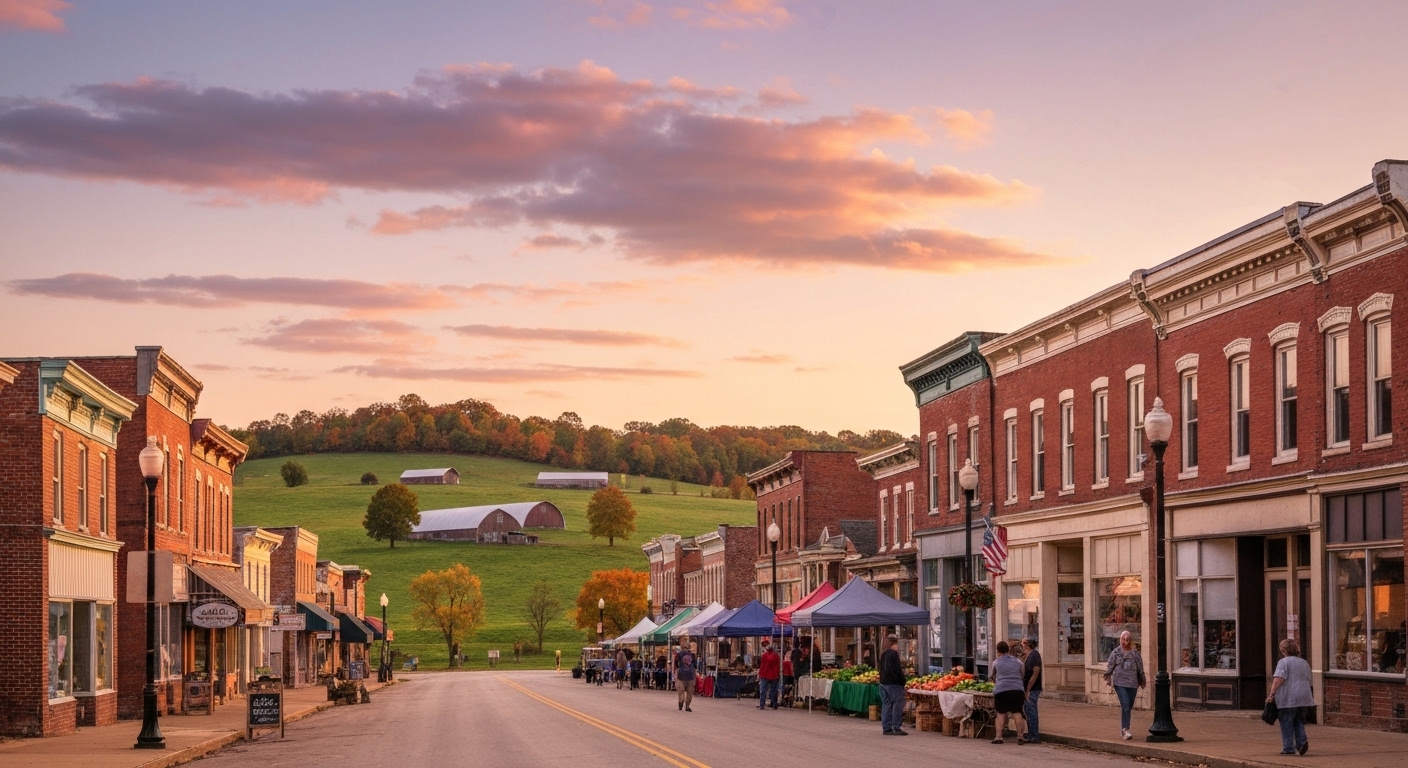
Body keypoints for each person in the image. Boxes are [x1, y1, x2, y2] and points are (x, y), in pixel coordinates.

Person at [1267, 638, 1315, 755]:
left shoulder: (1283, 662)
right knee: (1299, 720)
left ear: (1284, 650)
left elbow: (1279, 679)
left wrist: (1272, 693)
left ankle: (1288, 747)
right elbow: (1309, 678)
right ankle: (1302, 742)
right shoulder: (1304, 662)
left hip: (1288, 697)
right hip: (1304, 696)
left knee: (1286, 722)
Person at [1103, 631, 1146, 740]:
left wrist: (1142, 680)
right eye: (1123, 639)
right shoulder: (1116, 652)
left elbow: (1140, 668)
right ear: (1120, 640)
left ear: (1130, 641)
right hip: (1120, 682)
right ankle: (1125, 729)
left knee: (1129, 706)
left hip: (1132, 683)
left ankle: (1125, 726)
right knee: (1126, 704)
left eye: (1127, 640)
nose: (1125, 642)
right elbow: (1110, 665)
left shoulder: (1135, 653)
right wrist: (1107, 677)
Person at [990, 641, 1027, 744]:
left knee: (1001, 713)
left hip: (1001, 689)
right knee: (1017, 712)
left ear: (998, 651)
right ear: (1008, 650)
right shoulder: (1018, 661)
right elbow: (1022, 674)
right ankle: (1020, 736)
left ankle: (998, 737)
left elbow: (992, 675)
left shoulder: (996, 662)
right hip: (1017, 689)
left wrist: (997, 680)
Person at [879, 634, 908, 736]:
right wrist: (903, 680)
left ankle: (886, 728)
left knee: (886, 704)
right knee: (897, 703)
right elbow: (896, 670)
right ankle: (896, 727)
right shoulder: (893, 654)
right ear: (895, 643)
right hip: (893, 683)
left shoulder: (884, 653)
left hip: (883, 682)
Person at [1021, 637, 1043, 744]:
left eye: (1023, 643)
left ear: (1027, 644)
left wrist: (1028, 688)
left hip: (1033, 689)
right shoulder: (1030, 655)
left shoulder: (1034, 655)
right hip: (1029, 688)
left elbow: (1036, 671)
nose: (1022, 645)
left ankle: (1034, 735)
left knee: (1031, 711)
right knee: (1028, 711)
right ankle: (1031, 733)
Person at [758, 639, 781, 710]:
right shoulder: (777, 656)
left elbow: (762, 665)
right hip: (774, 675)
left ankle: (762, 705)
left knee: (763, 690)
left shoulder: (765, 656)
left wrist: (760, 674)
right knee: (773, 690)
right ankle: (774, 704)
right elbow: (778, 666)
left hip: (765, 674)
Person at [675, 642, 698, 712]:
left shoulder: (678, 655)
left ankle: (681, 703)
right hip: (690, 676)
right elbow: (695, 665)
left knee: (681, 691)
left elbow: (676, 664)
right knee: (689, 692)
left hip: (681, 675)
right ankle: (687, 706)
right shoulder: (693, 655)